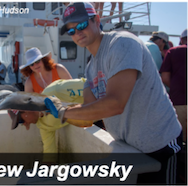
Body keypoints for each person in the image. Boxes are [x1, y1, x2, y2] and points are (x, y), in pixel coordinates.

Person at [58, 3, 184, 184]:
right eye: (71, 31)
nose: (77, 32)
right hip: (131, 149)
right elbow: (88, 114)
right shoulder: (89, 68)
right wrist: (50, 110)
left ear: (97, 20)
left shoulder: (122, 43)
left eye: (82, 25)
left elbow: (115, 103)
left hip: (161, 144)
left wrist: (63, 112)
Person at [17, 78, 86, 162]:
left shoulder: (55, 90)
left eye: (21, 121)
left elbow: (88, 85)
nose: (25, 125)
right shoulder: (43, 126)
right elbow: (49, 154)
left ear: (26, 110)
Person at [160, 29, 187, 141]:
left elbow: (165, 77)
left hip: (178, 100)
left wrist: (177, 87)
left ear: (181, 39)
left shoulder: (173, 52)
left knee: (179, 139)